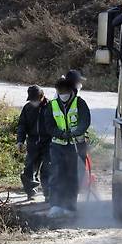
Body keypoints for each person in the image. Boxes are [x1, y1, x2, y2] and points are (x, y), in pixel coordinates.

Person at [45, 77, 91, 218]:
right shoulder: (52, 105)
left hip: (76, 146)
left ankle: (70, 206)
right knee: (57, 175)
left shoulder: (80, 103)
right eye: (60, 92)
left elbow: (85, 121)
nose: (63, 94)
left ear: (71, 91)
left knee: (73, 176)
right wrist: (61, 134)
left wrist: (75, 132)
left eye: (65, 91)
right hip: (58, 146)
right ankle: (56, 205)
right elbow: (49, 126)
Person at [16, 85, 51, 200]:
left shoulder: (51, 107)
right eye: (31, 100)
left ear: (42, 97)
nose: (33, 102)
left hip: (48, 142)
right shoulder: (27, 108)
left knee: (47, 168)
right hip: (33, 142)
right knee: (29, 168)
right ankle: (31, 192)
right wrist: (20, 141)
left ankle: (48, 194)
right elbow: (22, 125)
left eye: (35, 100)